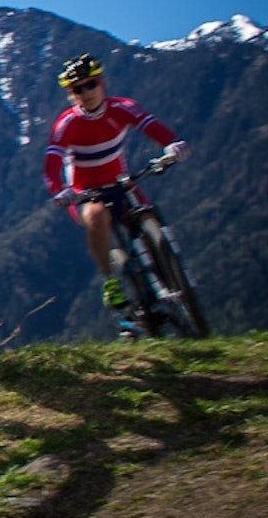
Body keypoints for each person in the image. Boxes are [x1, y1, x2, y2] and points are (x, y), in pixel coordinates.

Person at [43, 53, 191, 334]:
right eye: (77, 89)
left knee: (147, 217)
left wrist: (172, 144)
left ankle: (170, 276)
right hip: (85, 192)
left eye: (91, 84)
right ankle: (110, 279)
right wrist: (59, 191)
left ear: (103, 83)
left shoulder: (123, 108)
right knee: (98, 218)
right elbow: (51, 163)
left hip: (122, 183)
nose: (86, 93)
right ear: (70, 95)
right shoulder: (67, 124)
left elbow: (151, 126)